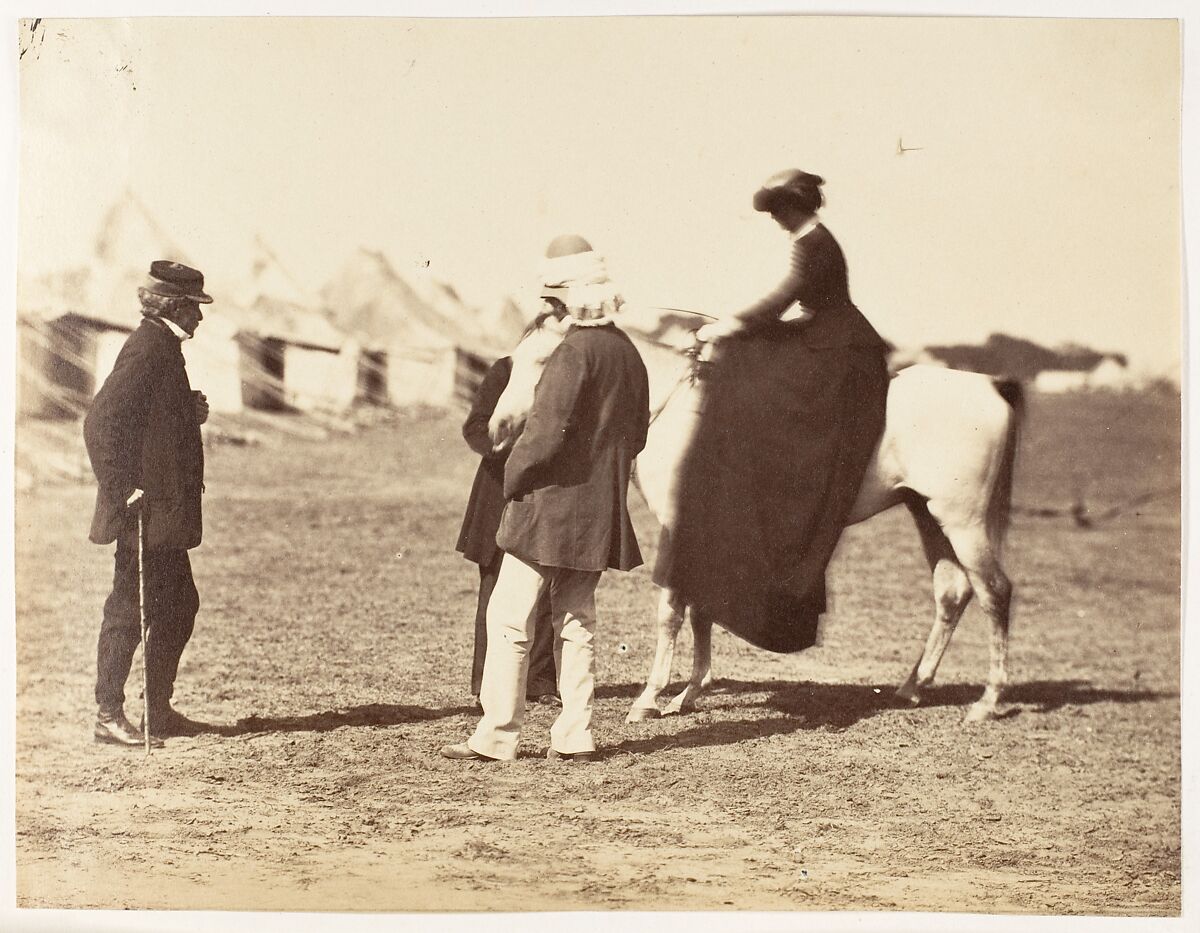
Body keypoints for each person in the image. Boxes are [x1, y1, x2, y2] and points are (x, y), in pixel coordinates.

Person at [653, 169, 890, 652]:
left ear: (794, 208)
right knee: (752, 351)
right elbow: (795, 301)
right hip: (823, 330)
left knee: (753, 371)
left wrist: (730, 326)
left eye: (781, 211)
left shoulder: (814, 243)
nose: (778, 221)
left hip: (841, 345)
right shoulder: (812, 238)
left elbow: (786, 296)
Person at [441, 235, 650, 763]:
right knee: (578, 622)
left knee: (510, 618)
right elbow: (638, 434)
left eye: (554, 300)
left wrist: (512, 480)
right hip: (600, 511)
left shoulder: (572, 352)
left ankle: (497, 735)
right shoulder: (628, 353)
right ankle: (576, 735)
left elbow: (542, 434)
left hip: (546, 509)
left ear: (571, 300)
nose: (548, 308)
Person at [83, 260, 213, 746]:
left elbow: (149, 420)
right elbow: (100, 423)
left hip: (164, 514)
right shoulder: (148, 347)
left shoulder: (165, 347)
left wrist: (188, 410)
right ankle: (108, 715)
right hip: (144, 510)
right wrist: (122, 489)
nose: (200, 318)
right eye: (195, 308)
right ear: (174, 306)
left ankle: (158, 710)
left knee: (178, 606)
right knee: (129, 609)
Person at [456, 351, 560, 707]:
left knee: (545, 589)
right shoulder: (506, 369)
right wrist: (507, 449)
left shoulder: (565, 375)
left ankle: (540, 681)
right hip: (498, 492)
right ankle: (487, 683)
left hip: (546, 492)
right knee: (494, 588)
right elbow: (474, 428)